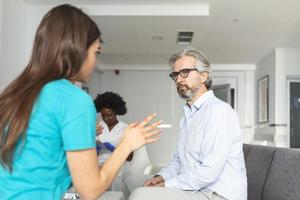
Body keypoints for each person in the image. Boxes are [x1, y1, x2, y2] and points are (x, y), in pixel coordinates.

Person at [0, 4, 161, 200]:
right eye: (96, 52)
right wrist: (127, 144)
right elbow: (90, 190)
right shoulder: (75, 100)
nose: (94, 62)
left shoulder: (16, 93)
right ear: (78, 51)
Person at [129, 48, 247, 200]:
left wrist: (167, 184)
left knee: (140, 195)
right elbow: (178, 161)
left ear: (203, 76)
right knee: (131, 181)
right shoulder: (188, 116)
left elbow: (209, 172)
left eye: (184, 72)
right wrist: (161, 177)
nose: (178, 79)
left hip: (217, 194)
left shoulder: (219, 111)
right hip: (197, 189)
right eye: (175, 75)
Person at [94, 91, 134, 192]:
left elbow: (130, 157)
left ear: (116, 113)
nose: (106, 118)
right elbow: (88, 153)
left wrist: (115, 150)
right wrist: (95, 148)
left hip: (118, 165)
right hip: (98, 165)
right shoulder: (97, 127)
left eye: (109, 115)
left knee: (114, 179)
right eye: (103, 115)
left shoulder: (126, 128)